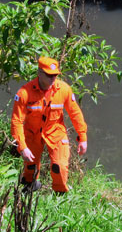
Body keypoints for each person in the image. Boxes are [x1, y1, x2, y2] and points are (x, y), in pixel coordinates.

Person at [11, 56, 88, 194]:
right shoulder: (24, 93)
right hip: (33, 134)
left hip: (56, 132)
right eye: (49, 75)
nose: (53, 79)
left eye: (55, 75)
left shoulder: (63, 90)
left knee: (60, 166)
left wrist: (82, 137)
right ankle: (30, 187)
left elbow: (75, 113)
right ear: (39, 73)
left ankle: (60, 196)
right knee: (30, 168)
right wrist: (22, 148)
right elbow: (16, 121)